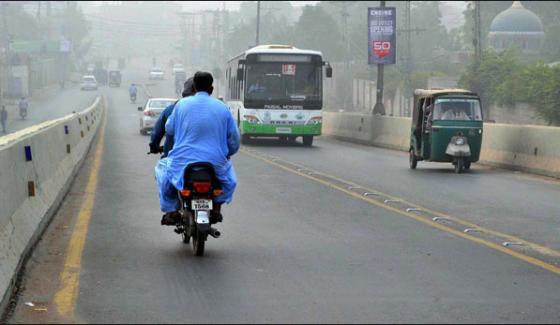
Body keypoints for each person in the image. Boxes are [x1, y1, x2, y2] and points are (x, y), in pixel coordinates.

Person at [155, 72, 240, 225]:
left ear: (194, 87)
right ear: (212, 89)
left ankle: (171, 210)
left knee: (162, 171)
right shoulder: (222, 108)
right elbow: (234, 139)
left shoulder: (181, 105)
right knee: (230, 181)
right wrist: (227, 154)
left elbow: (169, 128)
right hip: (215, 162)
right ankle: (217, 207)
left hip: (182, 162)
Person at [149, 77, 195, 158]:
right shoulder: (215, 110)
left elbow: (157, 132)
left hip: (175, 158)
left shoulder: (171, 110)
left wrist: (154, 146)